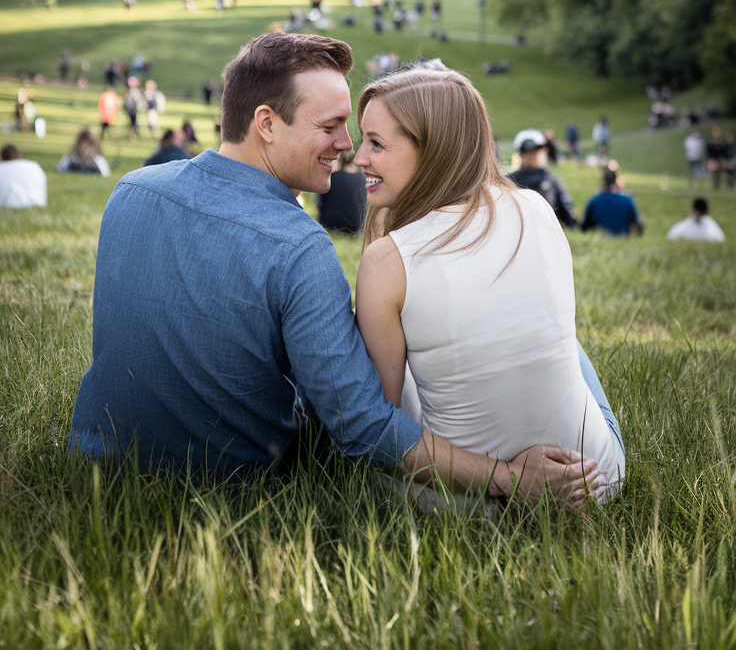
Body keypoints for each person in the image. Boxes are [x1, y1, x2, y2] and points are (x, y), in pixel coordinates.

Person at [71, 32, 600, 508]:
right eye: (330, 127)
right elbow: (362, 425)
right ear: (266, 124)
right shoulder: (297, 245)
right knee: (567, 350)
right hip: (229, 492)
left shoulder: (132, 190)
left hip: (98, 466)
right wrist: (506, 477)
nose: (346, 146)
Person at [353, 66, 624, 506]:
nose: (358, 157)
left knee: (386, 359)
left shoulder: (386, 261)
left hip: (459, 505)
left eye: (376, 143)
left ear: (434, 150)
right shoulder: (535, 207)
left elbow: (385, 428)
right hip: (594, 480)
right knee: (567, 345)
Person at [508, 135, 577, 228]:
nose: (532, 156)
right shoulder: (511, 180)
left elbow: (565, 207)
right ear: (521, 155)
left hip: (546, 226)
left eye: (535, 152)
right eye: (528, 153)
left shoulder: (549, 177)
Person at [316, 150, 366, 235]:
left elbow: (319, 203)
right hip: (355, 227)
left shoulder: (330, 178)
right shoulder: (362, 179)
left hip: (329, 225)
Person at [582, 168, 642, 237]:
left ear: (603, 181)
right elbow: (636, 225)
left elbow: (585, 225)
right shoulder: (627, 200)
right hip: (622, 237)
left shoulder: (595, 200)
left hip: (600, 237)